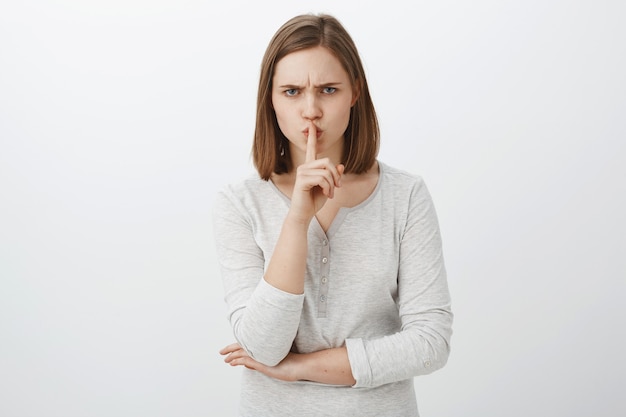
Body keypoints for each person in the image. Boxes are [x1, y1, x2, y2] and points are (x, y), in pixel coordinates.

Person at [213, 13, 453, 417]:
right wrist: (296, 220)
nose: (311, 110)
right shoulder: (239, 202)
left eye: (328, 89)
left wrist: (298, 369)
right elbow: (262, 346)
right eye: (291, 91)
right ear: (269, 99)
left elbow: (430, 343)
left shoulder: (405, 196)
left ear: (354, 93)